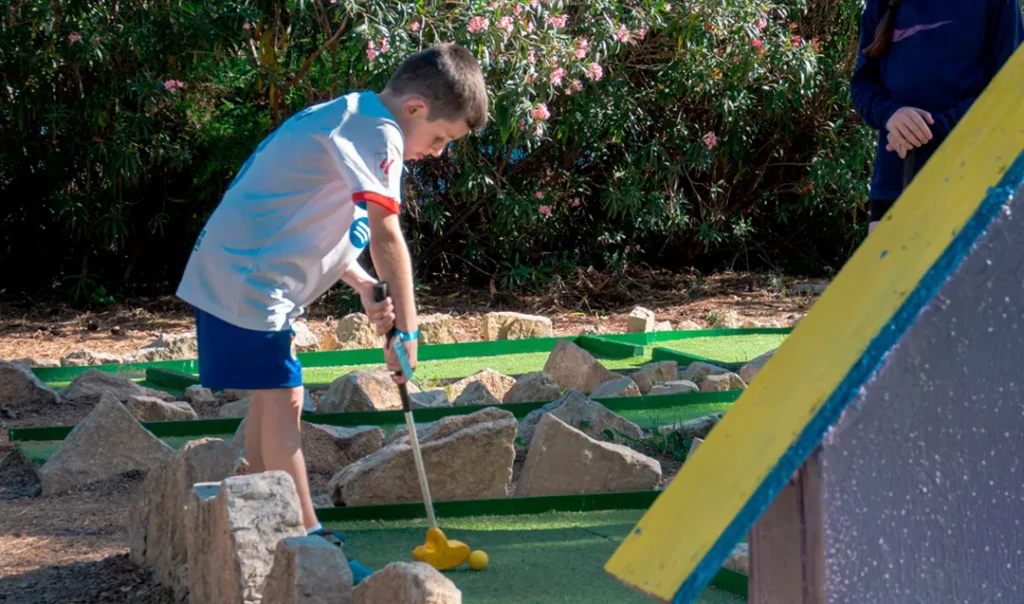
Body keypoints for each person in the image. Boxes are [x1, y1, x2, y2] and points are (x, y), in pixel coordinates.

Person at [175, 42, 489, 582]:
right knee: (284, 396)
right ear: (415, 108)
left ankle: (260, 509)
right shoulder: (378, 131)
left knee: (270, 398)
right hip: (248, 281)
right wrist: (408, 333)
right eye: (440, 138)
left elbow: (311, 217)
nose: (437, 153)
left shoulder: (353, 115)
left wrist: (366, 285)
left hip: (241, 274)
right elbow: (387, 234)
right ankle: (309, 535)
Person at [850, 0, 1023, 233]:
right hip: (895, 179)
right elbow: (863, 84)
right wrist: (890, 113)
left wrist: (929, 129)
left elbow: (1009, 87)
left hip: (970, 180)